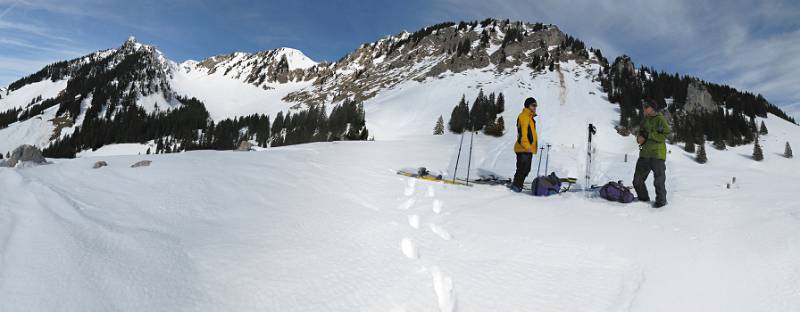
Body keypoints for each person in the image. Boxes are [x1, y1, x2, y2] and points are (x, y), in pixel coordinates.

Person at [633, 99, 671, 208]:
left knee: (659, 181)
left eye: (646, 106)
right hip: (644, 154)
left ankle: (661, 203)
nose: (644, 108)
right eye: (644, 106)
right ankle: (643, 200)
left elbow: (666, 134)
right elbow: (641, 133)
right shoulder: (645, 120)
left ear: (652, 108)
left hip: (657, 154)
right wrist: (639, 138)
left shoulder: (660, 119)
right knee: (637, 180)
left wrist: (650, 135)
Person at [510, 97, 538, 192]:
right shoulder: (524, 117)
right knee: (522, 169)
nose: (535, 107)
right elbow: (523, 133)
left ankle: (518, 185)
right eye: (533, 105)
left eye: (536, 105)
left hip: (527, 148)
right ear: (528, 105)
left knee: (526, 169)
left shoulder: (530, 118)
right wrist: (527, 146)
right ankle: (516, 187)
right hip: (523, 148)